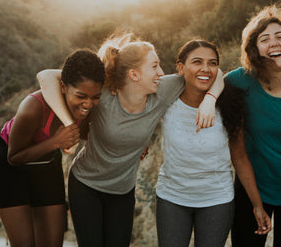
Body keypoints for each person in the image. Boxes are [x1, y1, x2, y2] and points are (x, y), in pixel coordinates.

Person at [37, 33, 223, 247]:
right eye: (154, 66)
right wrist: (69, 124)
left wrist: (210, 99)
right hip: (86, 185)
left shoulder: (163, 90)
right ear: (134, 74)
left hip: (122, 191)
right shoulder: (104, 93)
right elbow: (46, 76)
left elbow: (213, 74)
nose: (161, 73)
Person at [155, 39, 271, 247]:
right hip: (172, 197)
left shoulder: (229, 105)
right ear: (181, 68)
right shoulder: (167, 98)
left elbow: (240, 157)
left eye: (212, 63)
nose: (205, 69)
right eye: (197, 62)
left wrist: (257, 205)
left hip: (216, 199)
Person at [0, 49, 105, 247]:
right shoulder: (33, 107)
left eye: (95, 97)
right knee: (24, 244)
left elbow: (97, 133)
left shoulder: (87, 109)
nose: (88, 104)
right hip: (7, 166)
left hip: (46, 164)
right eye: (81, 96)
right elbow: (13, 157)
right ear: (63, 87)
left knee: (52, 243)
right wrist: (55, 142)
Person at [225, 6, 281, 247]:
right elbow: (237, 151)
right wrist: (257, 204)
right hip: (253, 186)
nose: (274, 43)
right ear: (254, 48)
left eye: (280, 36)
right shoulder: (240, 81)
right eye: (265, 39)